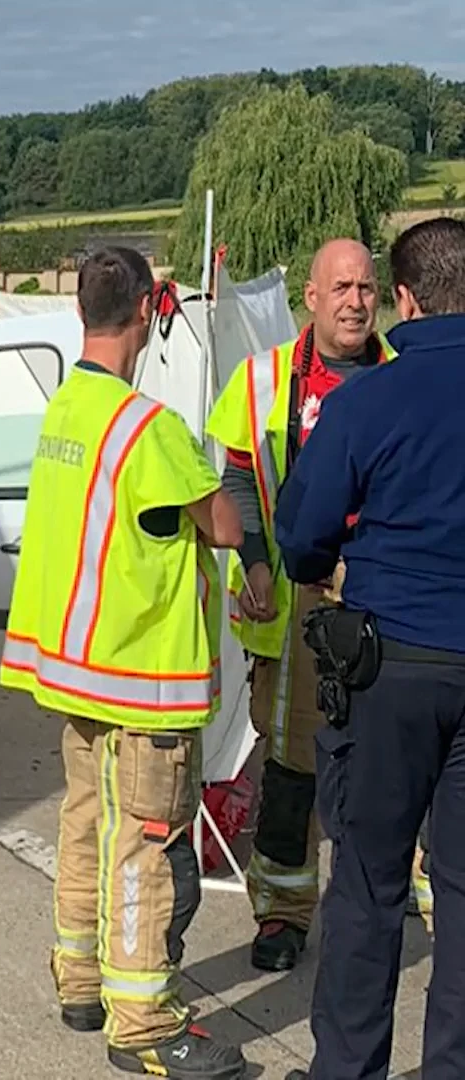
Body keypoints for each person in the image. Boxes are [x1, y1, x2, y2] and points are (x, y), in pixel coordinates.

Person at [0, 245, 247, 1079]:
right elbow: (226, 527)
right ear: (147, 309)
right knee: (145, 842)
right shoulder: (151, 429)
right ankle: (141, 1016)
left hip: (75, 671)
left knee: (84, 822)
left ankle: (81, 978)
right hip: (142, 678)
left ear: (81, 311)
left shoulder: (65, 409)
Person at [275, 215, 465, 1079]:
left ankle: (349, 1069)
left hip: (388, 667)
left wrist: (329, 562)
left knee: (369, 885)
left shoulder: (363, 402)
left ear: (403, 298)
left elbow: (306, 538)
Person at [203, 238, 402, 971]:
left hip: (384, 599)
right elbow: (236, 478)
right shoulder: (262, 382)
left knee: (388, 761)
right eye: (342, 288)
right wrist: (254, 563)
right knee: (292, 767)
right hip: (293, 608)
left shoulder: (402, 378)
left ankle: (384, 898)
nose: (356, 301)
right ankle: (282, 913)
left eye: (368, 288)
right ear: (311, 299)